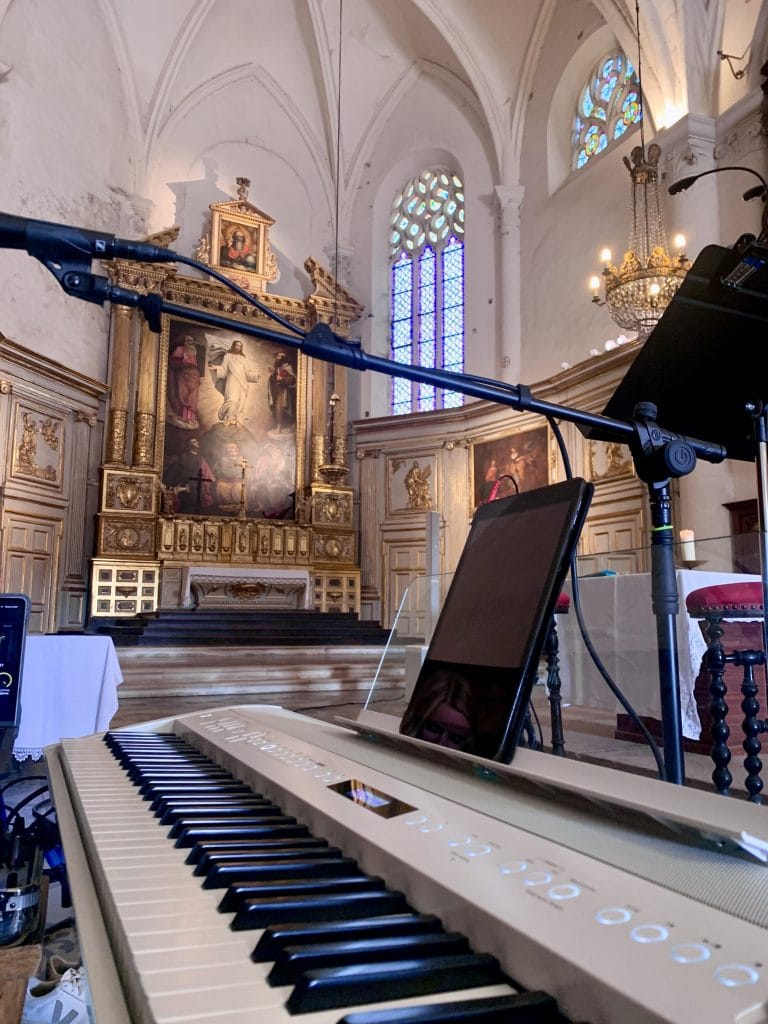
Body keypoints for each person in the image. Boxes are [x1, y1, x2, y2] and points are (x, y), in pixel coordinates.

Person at [209, 339, 261, 424]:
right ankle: (228, 416)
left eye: (240, 346)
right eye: (237, 345)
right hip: (232, 381)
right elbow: (224, 369)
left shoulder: (243, 358)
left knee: (241, 401)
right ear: (233, 346)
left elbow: (247, 372)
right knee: (232, 400)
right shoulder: (228, 356)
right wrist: (216, 368)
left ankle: (236, 417)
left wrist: (256, 375)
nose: (238, 347)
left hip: (242, 383)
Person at [164, 436, 214, 513]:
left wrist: (210, 476)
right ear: (189, 445)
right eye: (194, 442)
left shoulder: (199, 457)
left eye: (197, 441)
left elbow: (205, 468)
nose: (197, 443)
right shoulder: (185, 455)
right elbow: (186, 467)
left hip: (196, 479)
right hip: (186, 479)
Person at [167, 334, 203, 429]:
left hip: (194, 375)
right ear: (185, 341)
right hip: (183, 373)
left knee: (193, 397)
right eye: (189, 340)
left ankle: (191, 419)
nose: (191, 342)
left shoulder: (194, 351)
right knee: (183, 393)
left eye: (192, 340)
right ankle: (183, 417)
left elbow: (196, 364)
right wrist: (183, 359)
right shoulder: (180, 349)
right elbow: (173, 360)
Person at [267, 351, 297, 433]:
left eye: (280, 356)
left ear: (283, 358)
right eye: (277, 356)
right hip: (277, 391)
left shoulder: (287, 366)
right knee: (277, 409)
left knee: (283, 409)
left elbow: (292, 379)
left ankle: (288, 426)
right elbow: (274, 380)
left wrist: (282, 379)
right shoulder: (277, 368)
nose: (277, 358)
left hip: (285, 393)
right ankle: (279, 427)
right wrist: (272, 375)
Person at [213, 441, 245, 508]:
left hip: (238, 481)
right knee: (221, 486)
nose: (235, 449)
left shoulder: (242, 459)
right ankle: (227, 506)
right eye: (231, 447)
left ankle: (240, 506)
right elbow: (223, 472)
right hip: (226, 481)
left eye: (236, 447)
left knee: (238, 488)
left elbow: (245, 472)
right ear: (226, 450)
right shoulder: (223, 460)